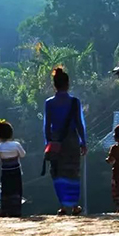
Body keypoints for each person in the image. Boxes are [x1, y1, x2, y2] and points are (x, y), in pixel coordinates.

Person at [43, 67, 87, 216]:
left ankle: (62, 206)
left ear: (54, 85)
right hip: (72, 140)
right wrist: (83, 142)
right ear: (68, 84)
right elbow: (79, 123)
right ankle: (74, 206)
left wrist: (48, 142)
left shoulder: (49, 103)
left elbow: (47, 125)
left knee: (58, 173)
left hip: (56, 141)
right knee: (73, 172)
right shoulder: (75, 102)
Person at [0, 120, 26, 217]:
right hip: (16, 171)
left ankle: (5, 210)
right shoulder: (16, 144)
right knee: (17, 190)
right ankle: (16, 210)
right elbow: (23, 154)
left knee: (5, 190)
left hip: (5, 172)